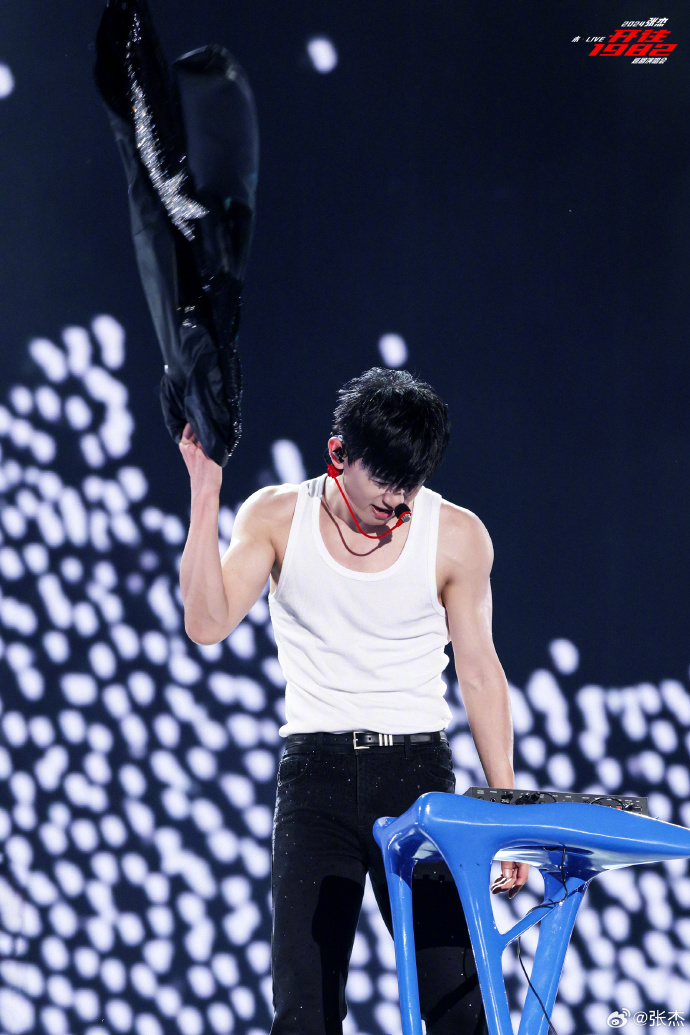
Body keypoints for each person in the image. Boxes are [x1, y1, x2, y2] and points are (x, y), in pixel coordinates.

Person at [179, 367, 528, 1035]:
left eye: (409, 489)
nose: (396, 505)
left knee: (457, 1010)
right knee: (304, 1013)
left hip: (418, 780)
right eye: (384, 485)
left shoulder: (457, 535)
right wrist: (205, 491)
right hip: (315, 781)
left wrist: (505, 808)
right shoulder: (276, 516)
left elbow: (481, 674)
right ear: (339, 454)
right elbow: (206, 623)